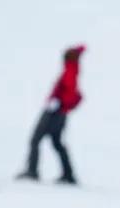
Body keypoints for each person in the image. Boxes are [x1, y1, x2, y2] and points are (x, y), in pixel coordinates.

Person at [17, 45, 85, 184]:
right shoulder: (71, 69)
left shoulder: (70, 70)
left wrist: (59, 104)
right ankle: (68, 173)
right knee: (57, 143)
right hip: (60, 112)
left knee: (35, 139)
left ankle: (33, 171)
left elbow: (71, 93)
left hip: (55, 113)